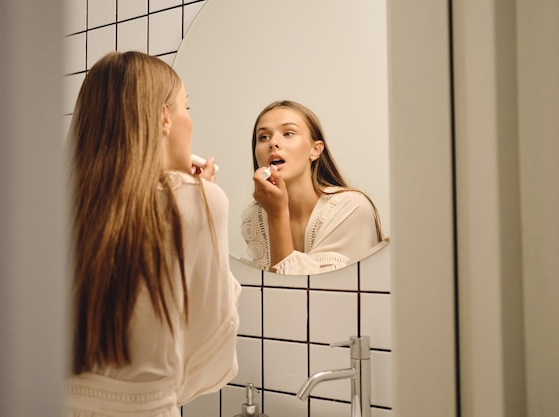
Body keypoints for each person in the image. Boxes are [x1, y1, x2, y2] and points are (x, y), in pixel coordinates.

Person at [68, 51, 240, 417]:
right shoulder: (199, 200)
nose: (190, 121)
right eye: (186, 107)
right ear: (164, 117)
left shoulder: (57, 204)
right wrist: (201, 203)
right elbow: (208, 347)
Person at [240, 100, 388, 275]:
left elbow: (306, 294)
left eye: (288, 133)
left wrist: (277, 214)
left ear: (315, 150)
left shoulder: (351, 208)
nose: (273, 143)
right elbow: (273, 295)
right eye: (263, 137)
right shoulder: (255, 218)